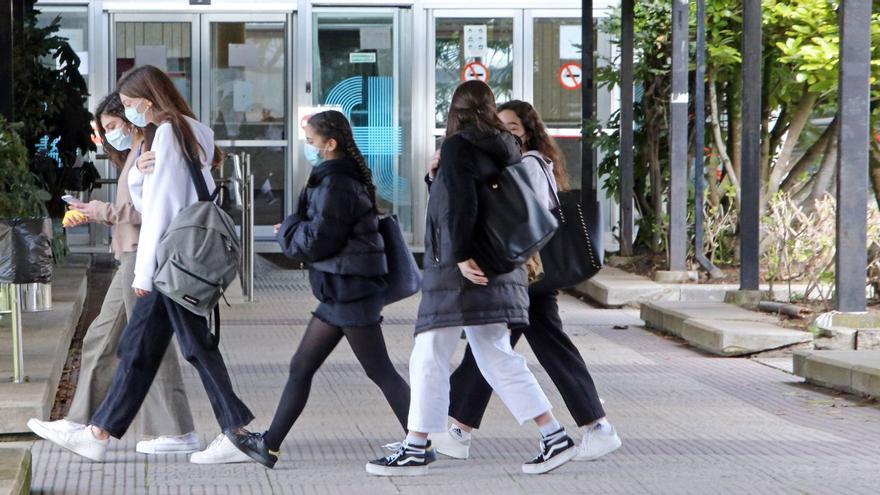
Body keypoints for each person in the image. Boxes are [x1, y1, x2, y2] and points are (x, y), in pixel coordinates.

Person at [35, 65, 254, 463]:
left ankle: (233, 433)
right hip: (181, 259)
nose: (131, 113)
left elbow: (161, 210)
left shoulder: (170, 133)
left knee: (177, 348)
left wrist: (142, 273)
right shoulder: (190, 129)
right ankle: (99, 433)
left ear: (150, 100)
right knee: (152, 348)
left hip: (166, 262)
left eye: (132, 105)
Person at [367, 81, 577, 476]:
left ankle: (415, 446)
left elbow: (461, 207)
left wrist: (460, 255)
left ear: (455, 110)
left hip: (464, 271)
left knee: (430, 353)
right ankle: (553, 434)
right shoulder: (506, 146)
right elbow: (480, 198)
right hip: (501, 267)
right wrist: (436, 177)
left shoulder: (460, 146)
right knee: (494, 354)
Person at [430, 100, 622, 462]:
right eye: (501, 127)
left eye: (514, 128)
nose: (507, 134)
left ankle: (454, 429)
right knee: (500, 350)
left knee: (493, 351)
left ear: (528, 131)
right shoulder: (516, 162)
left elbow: (518, 216)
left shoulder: (530, 164)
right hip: (529, 275)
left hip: (529, 273)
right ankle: (457, 428)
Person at [225, 110, 413, 469]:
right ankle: (270, 445)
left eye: (311, 142)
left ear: (330, 144)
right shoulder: (337, 177)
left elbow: (317, 240)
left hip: (350, 288)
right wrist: (296, 225)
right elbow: (323, 229)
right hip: (342, 287)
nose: (308, 147)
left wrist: (287, 229)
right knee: (302, 366)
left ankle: (418, 440)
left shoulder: (336, 183)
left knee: (379, 369)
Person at [27, 92, 199, 456]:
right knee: (103, 339)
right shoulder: (137, 152)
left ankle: (174, 429)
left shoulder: (149, 152)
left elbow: (145, 211)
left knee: (144, 345)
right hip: (130, 256)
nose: (109, 134)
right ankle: (81, 422)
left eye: (113, 125)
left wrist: (97, 210)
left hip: (142, 257)